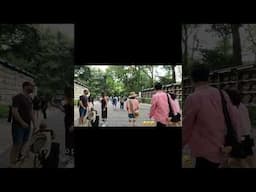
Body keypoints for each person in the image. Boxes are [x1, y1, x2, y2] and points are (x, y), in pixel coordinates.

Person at [182, 63, 241, 168]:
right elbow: (234, 117)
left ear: (192, 79)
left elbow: (187, 126)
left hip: (204, 149)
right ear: (208, 77)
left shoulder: (193, 98)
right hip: (223, 146)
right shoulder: (222, 94)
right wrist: (235, 140)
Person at [225, 89, 255, 168]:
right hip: (247, 134)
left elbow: (235, 125)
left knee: (239, 159)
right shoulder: (242, 105)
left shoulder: (232, 108)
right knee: (249, 156)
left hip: (239, 136)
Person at [9, 81, 37, 168]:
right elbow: (14, 111)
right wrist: (22, 122)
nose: (33, 88)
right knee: (17, 144)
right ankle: (12, 163)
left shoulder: (29, 98)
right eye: (32, 86)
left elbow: (30, 112)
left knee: (23, 143)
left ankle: (17, 160)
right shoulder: (18, 97)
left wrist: (34, 123)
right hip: (18, 126)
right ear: (25, 86)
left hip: (27, 125)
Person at [51, 87, 74, 164]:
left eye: (65, 96)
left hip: (71, 124)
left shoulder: (72, 104)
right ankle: (69, 153)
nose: (64, 97)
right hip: (67, 123)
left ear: (68, 96)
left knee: (70, 138)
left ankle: (70, 155)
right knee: (68, 138)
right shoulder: (67, 104)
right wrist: (53, 100)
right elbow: (61, 108)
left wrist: (73, 125)